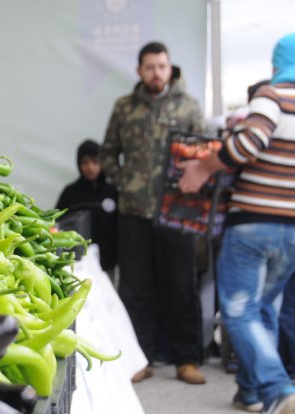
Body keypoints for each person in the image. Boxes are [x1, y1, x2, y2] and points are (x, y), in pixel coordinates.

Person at [178, 32, 295, 413]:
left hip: (254, 226)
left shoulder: (272, 96)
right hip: (292, 229)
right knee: (265, 310)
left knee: (239, 312)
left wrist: (204, 167)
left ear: (277, 64)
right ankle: (251, 391)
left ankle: (277, 389)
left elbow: (249, 143)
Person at [98, 41, 207, 385]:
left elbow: (204, 155)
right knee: (134, 289)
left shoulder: (188, 105)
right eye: (150, 67)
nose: (156, 73)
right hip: (133, 211)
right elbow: (106, 154)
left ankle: (186, 360)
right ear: (139, 71)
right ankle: (139, 358)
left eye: (162, 66)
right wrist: (125, 182)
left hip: (175, 213)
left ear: (170, 67)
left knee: (180, 285)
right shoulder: (125, 106)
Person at [56, 139, 118, 273]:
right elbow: (57, 221)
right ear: (79, 164)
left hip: (107, 263)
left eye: (95, 162)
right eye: (85, 162)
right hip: (76, 262)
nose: (90, 167)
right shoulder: (70, 192)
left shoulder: (112, 192)